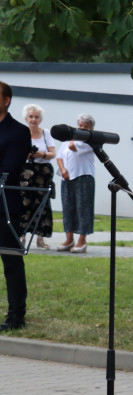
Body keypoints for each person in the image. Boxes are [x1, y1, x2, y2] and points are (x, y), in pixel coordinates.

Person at [0, 81, 31, 333]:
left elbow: (8, 170)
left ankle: (16, 315)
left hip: (4, 207)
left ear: (6, 100)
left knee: (11, 262)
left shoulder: (18, 131)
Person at [54, 114, 97, 254]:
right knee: (68, 208)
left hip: (83, 177)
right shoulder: (68, 139)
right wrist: (63, 169)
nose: (82, 128)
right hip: (67, 177)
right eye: (80, 126)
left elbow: (73, 146)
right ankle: (69, 239)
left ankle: (82, 240)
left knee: (83, 209)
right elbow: (60, 156)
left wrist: (73, 135)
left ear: (91, 128)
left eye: (86, 127)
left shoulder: (90, 140)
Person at [20, 104, 55, 249]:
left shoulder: (46, 133)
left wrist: (42, 155)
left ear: (40, 119)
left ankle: (41, 238)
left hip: (43, 171)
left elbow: (53, 153)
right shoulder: (21, 132)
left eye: (36, 117)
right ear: (26, 118)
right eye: (31, 117)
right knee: (24, 202)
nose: (33, 120)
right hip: (26, 171)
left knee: (42, 203)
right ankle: (21, 236)